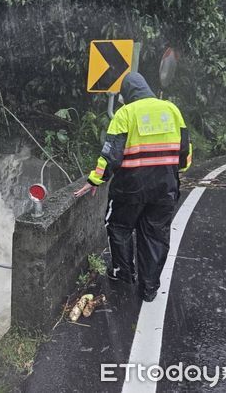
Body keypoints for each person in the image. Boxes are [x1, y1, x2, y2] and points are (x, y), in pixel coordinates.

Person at [74, 72, 192, 302]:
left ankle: (124, 273)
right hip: (164, 188)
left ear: (127, 93)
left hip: (130, 188)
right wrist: (170, 170)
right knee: (155, 235)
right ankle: (149, 289)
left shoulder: (125, 113)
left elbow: (111, 155)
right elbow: (184, 155)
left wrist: (94, 180)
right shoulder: (171, 110)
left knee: (118, 227)